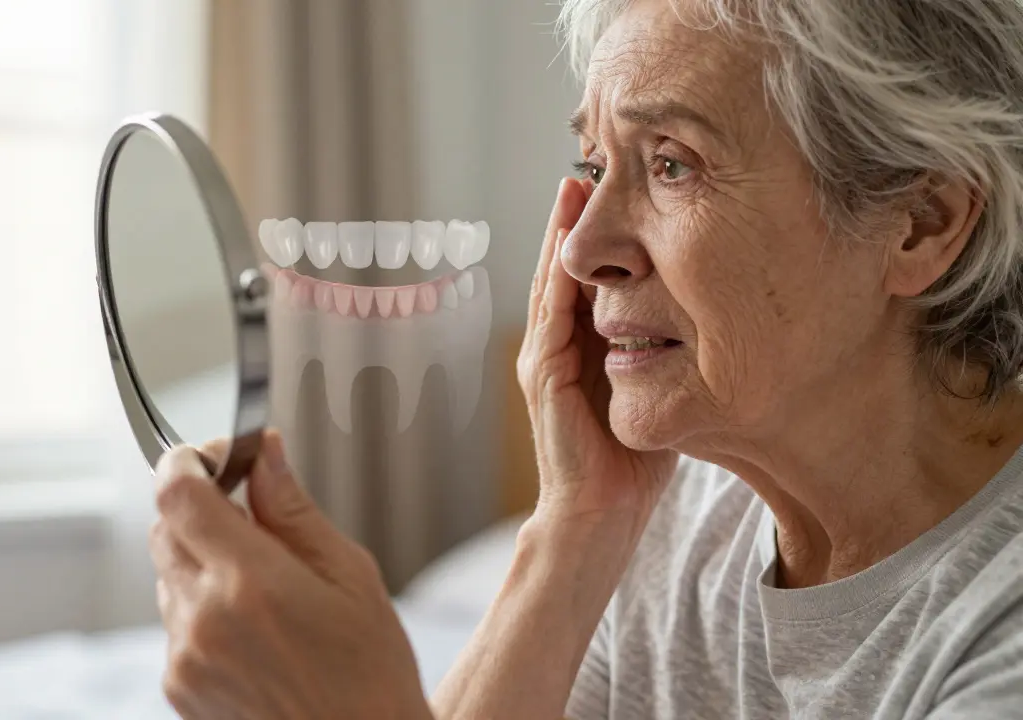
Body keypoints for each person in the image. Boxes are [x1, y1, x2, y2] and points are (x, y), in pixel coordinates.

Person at [146, 0, 1023, 716]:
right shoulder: (684, 515)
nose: (581, 248)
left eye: (672, 164)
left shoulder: (1000, 634)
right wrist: (574, 523)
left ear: (922, 224)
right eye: (592, 163)